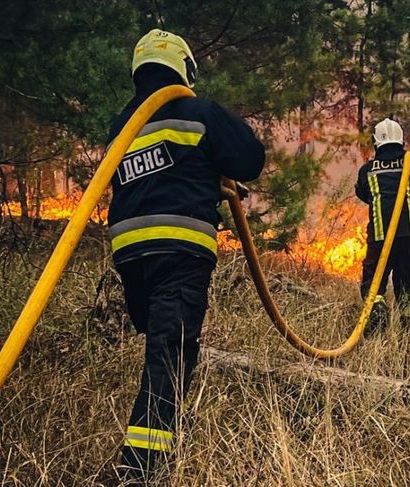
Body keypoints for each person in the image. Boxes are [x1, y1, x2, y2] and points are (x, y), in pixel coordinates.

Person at [105, 29, 265, 478]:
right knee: (169, 355)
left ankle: (156, 435)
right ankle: (142, 467)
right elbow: (250, 158)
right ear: (184, 68)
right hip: (179, 247)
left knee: (159, 342)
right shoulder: (199, 111)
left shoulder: (123, 125)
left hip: (130, 252)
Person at [355, 118, 410, 331]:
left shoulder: (367, 170)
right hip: (409, 235)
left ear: (376, 143)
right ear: (401, 141)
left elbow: (363, 194)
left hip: (381, 235)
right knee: (406, 280)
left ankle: (377, 315)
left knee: (373, 281)